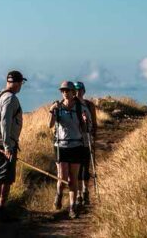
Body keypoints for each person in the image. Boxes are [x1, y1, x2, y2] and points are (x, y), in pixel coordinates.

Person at [50, 81, 89, 218]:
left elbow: (85, 130)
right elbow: (50, 125)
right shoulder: (57, 107)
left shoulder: (81, 108)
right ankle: (59, 194)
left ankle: (72, 207)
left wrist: (85, 121)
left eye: (68, 90)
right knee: (62, 178)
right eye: (63, 91)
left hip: (76, 145)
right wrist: (52, 111)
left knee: (73, 179)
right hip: (61, 146)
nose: (65, 93)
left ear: (73, 92)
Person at [0, 70, 26, 214]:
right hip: (5, 144)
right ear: (17, 83)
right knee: (4, 178)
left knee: (0, 176)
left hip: (0, 141)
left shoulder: (1, 94)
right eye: (21, 83)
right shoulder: (10, 98)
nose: (21, 86)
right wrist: (7, 146)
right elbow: (5, 122)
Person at [75, 81, 97, 205]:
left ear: (84, 91)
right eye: (76, 90)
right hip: (75, 140)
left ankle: (85, 191)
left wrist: (94, 137)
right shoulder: (71, 105)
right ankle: (79, 194)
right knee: (77, 168)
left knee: (85, 167)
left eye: (80, 90)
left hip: (87, 139)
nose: (78, 92)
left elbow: (94, 123)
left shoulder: (89, 105)